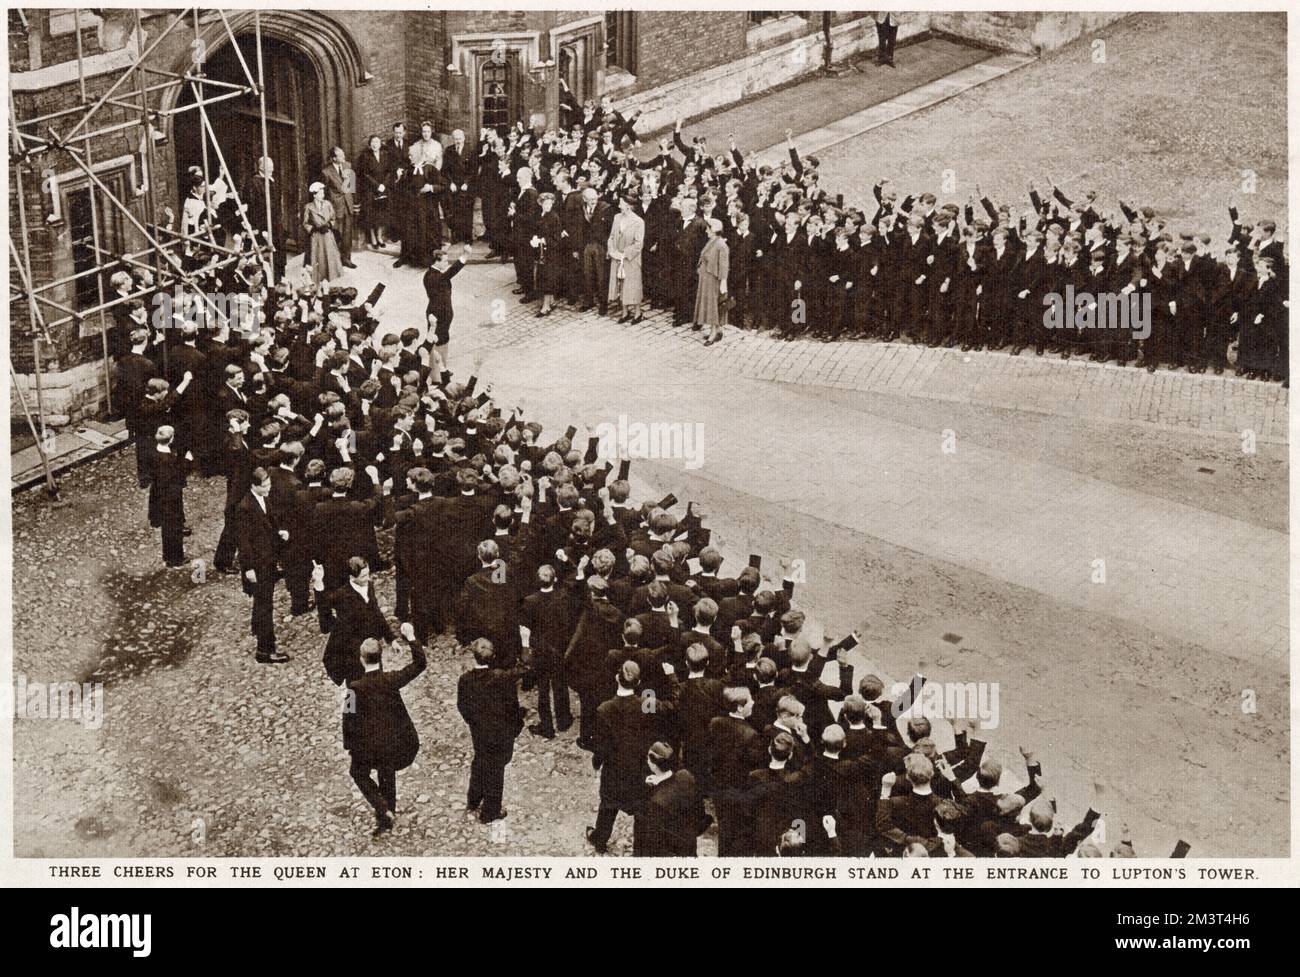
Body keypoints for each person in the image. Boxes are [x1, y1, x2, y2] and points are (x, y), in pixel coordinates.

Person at [344, 623, 427, 837]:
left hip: (370, 746)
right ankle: (388, 810)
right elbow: (419, 664)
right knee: (386, 773)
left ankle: (383, 809)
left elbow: (348, 720)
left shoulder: (354, 688)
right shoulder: (391, 680)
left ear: (362, 659)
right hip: (398, 742)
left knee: (357, 772)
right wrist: (411, 637)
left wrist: (350, 747)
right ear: (380, 658)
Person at [587, 660, 663, 853]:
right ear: (638, 683)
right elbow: (653, 730)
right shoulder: (646, 704)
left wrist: (597, 761)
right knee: (640, 809)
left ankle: (600, 839)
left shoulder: (604, 708)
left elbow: (601, 744)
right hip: (639, 765)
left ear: (616, 678)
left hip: (614, 767)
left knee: (608, 804)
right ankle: (640, 850)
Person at [456, 637, 529, 824]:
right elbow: (512, 708)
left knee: (480, 761)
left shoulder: (465, 680)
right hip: (501, 733)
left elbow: (462, 706)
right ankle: (490, 812)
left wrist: (473, 722)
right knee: (497, 770)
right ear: (494, 656)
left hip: (479, 732)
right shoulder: (504, 678)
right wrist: (515, 728)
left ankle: (473, 800)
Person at [315, 555, 394, 686]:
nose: (368, 578)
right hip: (354, 653)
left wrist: (391, 638)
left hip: (372, 646)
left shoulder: (369, 585)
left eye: (368, 574)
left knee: (376, 681)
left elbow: (376, 612)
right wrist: (319, 583)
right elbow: (324, 609)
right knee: (356, 687)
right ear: (352, 577)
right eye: (363, 576)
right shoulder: (342, 595)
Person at [238, 467, 291, 664]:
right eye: (266, 485)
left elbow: (268, 522)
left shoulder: (262, 498)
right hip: (258, 565)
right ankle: (265, 649)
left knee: (264, 602)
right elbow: (243, 541)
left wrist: (279, 532)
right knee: (264, 605)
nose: (269, 488)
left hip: (267, 559)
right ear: (254, 486)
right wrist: (248, 568)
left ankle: (258, 629)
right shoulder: (245, 507)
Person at [634, 741, 708, 856]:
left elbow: (653, 843)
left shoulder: (657, 803)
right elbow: (700, 816)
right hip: (689, 849)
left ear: (653, 764)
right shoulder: (686, 776)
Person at [145, 425, 193, 568]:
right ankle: (175, 558)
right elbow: (177, 474)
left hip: (159, 493)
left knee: (169, 526)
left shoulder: (153, 453)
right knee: (172, 527)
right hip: (170, 497)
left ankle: (170, 555)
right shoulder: (168, 459)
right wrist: (187, 461)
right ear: (171, 439)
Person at [422, 244, 471, 369]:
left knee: (440, 340)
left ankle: (440, 368)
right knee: (440, 342)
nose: (447, 263)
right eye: (445, 261)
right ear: (436, 262)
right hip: (439, 314)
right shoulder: (435, 277)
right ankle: (439, 371)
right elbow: (452, 271)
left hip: (439, 312)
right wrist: (465, 255)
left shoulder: (431, 274)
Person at [607, 193, 645, 323]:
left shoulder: (638, 221)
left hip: (631, 259)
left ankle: (638, 312)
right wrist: (613, 251)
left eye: (621, 203)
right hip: (617, 256)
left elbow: (639, 243)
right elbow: (612, 236)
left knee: (632, 285)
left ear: (628, 206)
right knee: (621, 284)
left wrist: (625, 254)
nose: (619, 205)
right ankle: (624, 312)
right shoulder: (617, 217)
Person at [694, 218, 730, 345]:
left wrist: (723, 282)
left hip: (714, 280)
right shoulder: (711, 241)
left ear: (714, 230)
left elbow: (724, 266)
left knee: (713, 307)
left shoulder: (721, 244)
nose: (706, 230)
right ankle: (718, 330)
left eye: (708, 228)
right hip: (706, 279)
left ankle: (713, 333)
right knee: (709, 305)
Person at [321, 146, 358, 268]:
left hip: (348, 204)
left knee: (348, 233)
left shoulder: (348, 166)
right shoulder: (326, 172)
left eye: (343, 154)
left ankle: (346, 259)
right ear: (333, 158)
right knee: (337, 234)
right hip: (335, 207)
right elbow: (324, 192)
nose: (344, 157)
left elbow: (352, 186)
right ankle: (335, 261)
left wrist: (354, 203)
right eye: (340, 156)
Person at [303, 182, 342, 286]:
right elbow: (305, 223)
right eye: (320, 193)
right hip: (316, 237)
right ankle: (318, 279)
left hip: (328, 235)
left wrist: (329, 225)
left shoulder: (328, 204)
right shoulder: (309, 207)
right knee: (318, 258)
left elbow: (334, 218)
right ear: (314, 195)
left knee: (330, 256)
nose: (323, 195)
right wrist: (314, 228)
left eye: (323, 192)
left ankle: (331, 278)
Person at [356, 134, 389, 250]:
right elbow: (365, 174)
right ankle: (373, 238)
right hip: (370, 189)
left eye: (377, 142)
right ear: (370, 144)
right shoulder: (365, 156)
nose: (375, 144)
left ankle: (379, 237)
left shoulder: (385, 155)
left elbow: (389, 172)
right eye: (373, 142)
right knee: (371, 214)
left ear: (380, 144)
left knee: (381, 214)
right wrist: (376, 185)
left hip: (382, 189)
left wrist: (384, 184)